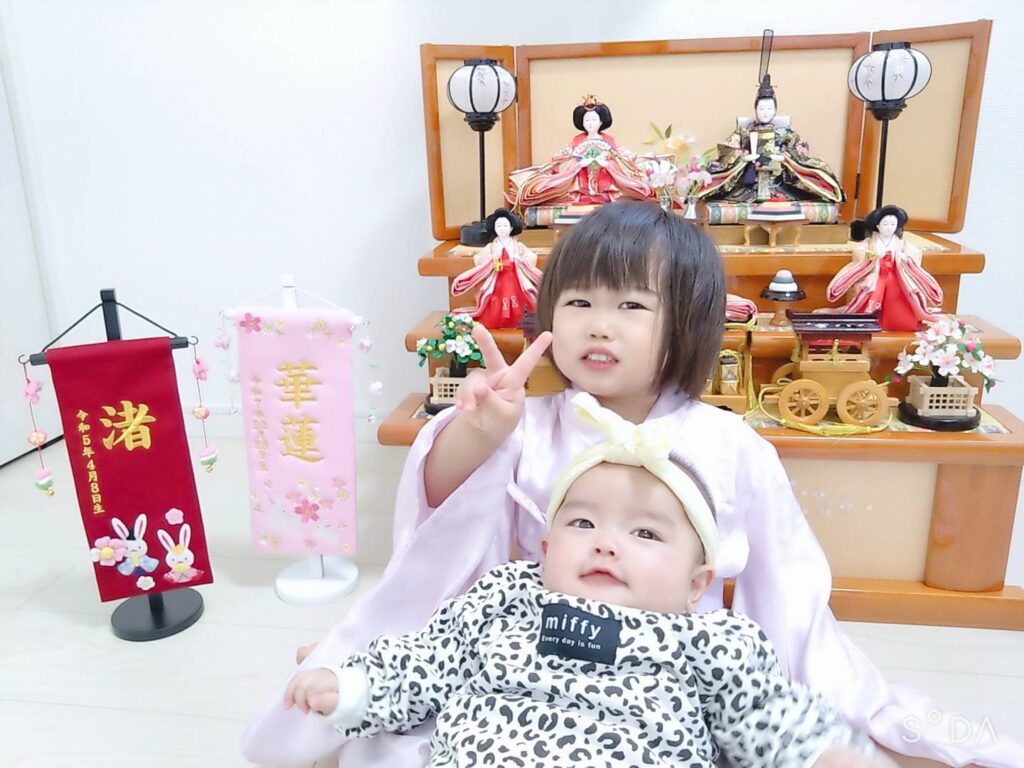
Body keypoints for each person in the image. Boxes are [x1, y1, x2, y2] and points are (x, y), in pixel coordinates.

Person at [243, 202, 1022, 767]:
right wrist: (479, 432)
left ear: (686, 322)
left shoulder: (731, 445)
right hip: (525, 662)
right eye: (578, 301)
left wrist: (822, 702)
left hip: (661, 673)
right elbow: (442, 523)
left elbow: (785, 589)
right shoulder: (528, 422)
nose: (598, 324)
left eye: (631, 305)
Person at [285, 392, 892, 768]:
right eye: (582, 522)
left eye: (646, 533)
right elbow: (426, 660)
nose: (607, 542)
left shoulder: (710, 640)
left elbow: (765, 713)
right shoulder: (505, 597)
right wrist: (352, 685)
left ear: (695, 583)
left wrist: (826, 753)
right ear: (546, 548)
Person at [697, 74, 844, 204]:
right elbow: (728, 150)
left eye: (769, 108)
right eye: (761, 109)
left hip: (779, 183)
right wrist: (744, 158)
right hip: (749, 184)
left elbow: (801, 149)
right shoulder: (744, 132)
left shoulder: (784, 133)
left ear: (775, 110)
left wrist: (784, 158)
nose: (765, 113)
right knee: (711, 172)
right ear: (755, 109)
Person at [507, 95, 653, 208]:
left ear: (601, 122)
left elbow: (625, 156)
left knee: (632, 190)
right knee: (563, 189)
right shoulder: (577, 141)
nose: (590, 123)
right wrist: (578, 163)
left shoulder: (609, 140)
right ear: (582, 123)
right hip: (581, 178)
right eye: (587, 120)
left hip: (605, 177)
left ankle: (604, 194)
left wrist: (608, 163)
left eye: (594, 120)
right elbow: (559, 158)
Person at [826, 205, 943, 331]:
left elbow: (914, 253)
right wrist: (873, 255)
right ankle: (867, 322)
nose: (889, 227)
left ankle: (896, 322)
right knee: (870, 295)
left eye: (893, 224)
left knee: (898, 300)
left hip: (896, 277)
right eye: (886, 224)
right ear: (877, 225)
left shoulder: (901, 243)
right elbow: (859, 252)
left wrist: (904, 258)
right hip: (877, 275)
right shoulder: (870, 242)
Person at [451, 208, 543, 330]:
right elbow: (479, 258)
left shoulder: (518, 246)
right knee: (495, 300)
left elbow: (530, 256)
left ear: (511, 228)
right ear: (494, 228)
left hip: (514, 276)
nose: (502, 229)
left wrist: (520, 261)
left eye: (505, 225)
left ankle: (519, 320)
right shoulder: (491, 246)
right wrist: (491, 261)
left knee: (520, 298)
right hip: (498, 277)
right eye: (498, 226)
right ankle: (497, 320)